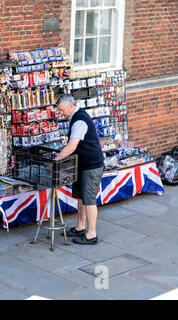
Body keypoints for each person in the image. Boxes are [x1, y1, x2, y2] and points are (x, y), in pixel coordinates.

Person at [53, 94, 104, 245]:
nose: (60, 113)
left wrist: (55, 161)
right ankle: (80, 227)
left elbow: (71, 146)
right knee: (82, 198)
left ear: (70, 106)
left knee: (89, 200)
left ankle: (91, 234)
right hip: (83, 165)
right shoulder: (77, 117)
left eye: (61, 110)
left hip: (91, 165)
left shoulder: (80, 120)